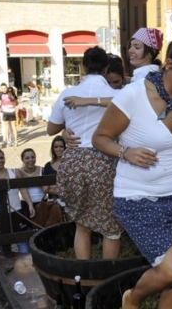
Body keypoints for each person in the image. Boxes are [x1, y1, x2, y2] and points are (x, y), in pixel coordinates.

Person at [93, 39, 172, 309]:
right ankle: (134, 297)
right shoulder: (133, 95)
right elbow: (100, 138)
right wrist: (125, 151)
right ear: (169, 65)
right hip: (137, 198)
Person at [48, 47, 121, 260]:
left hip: (74, 160)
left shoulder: (67, 94)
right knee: (111, 228)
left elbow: (50, 130)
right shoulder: (117, 95)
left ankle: (84, 275)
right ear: (107, 69)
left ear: (84, 66)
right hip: (105, 160)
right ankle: (107, 280)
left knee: (81, 224)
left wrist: (64, 129)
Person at [0, 148, 34, 253]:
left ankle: (25, 266)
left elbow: (22, 189)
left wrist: (30, 204)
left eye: (2, 158)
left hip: (16, 211)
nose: (0, 161)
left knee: (22, 241)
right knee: (3, 243)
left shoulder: (15, 172)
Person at [17, 148, 45, 226]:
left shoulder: (42, 170)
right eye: (27, 158)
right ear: (22, 160)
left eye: (33, 157)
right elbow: (22, 188)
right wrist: (30, 204)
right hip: (26, 203)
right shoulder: (19, 171)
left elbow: (46, 188)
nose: (31, 160)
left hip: (41, 203)